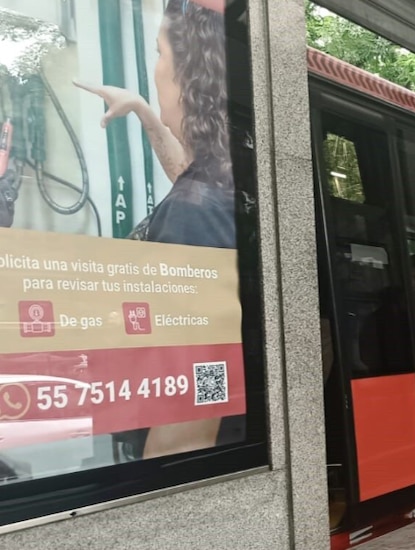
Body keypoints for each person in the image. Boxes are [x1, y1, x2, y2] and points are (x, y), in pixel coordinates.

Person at [75, 0, 238, 459]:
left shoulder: (195, 215)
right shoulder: (222, 180)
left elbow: (192, 414)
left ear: (189, 74)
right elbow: (188, 173)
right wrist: (147, 114)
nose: (156, 68)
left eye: (159, 53)